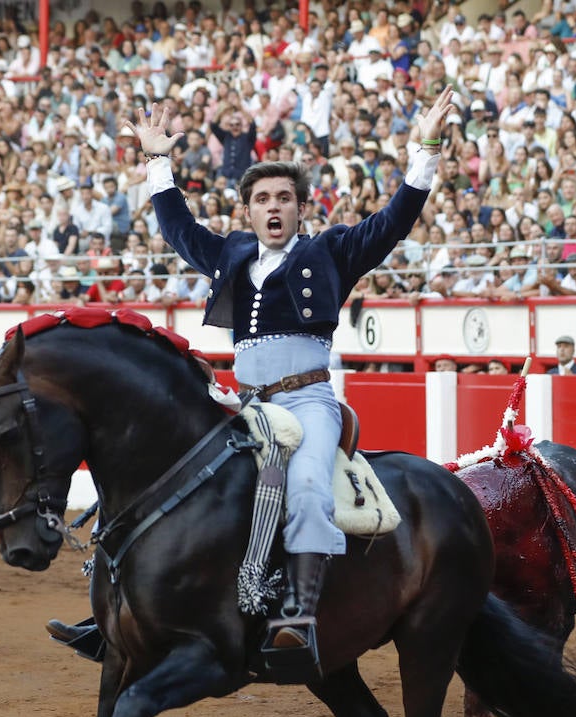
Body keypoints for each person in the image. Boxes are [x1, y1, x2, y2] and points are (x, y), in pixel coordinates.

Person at [48, 88, 457, 669]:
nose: (273, 207)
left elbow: (393, 222)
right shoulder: (231, 255)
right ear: (248, 210)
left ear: (298, 208)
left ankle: (298, 613)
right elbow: (179, 229)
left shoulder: (332, 251)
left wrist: (427, 150)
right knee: (169, 484)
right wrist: (157, 162)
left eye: (284, 198)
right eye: (262, 197)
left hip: (309, 402)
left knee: (311, 485)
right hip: (244, 404)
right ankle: (120, 612)